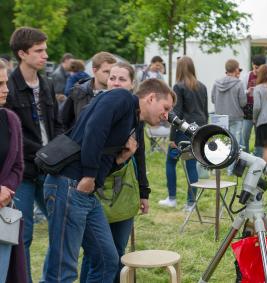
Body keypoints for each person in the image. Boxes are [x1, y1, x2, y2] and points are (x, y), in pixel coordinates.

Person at [43, 79, 175, 283]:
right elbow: (94, 129)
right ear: (150, 98)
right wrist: (89, 174)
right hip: (69, 184)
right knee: (62, 269)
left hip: (86, 193)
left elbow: (103, 155)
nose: (166, 115)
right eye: (165, 107)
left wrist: (121, 159)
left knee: (107, 259)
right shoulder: (121, 97)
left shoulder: (133, 119)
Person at [79, 62, 151, 283]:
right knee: (96, 252)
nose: (116, 83)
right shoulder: (94, 107)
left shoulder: (134, 116)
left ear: (132, 85)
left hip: (122, 189)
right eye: (112, 78)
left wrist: (143, 191)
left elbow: (139, 156)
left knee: (118, 248)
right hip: (95, 188)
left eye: (122, 79)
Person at [6, 27, 62, 283]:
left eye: (45, 49)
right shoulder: (9, 87)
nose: (45, 55)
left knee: (61, 228)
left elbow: (56, 123)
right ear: (21, 53)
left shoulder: (48, 84)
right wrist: (41, 153)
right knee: (23, 235)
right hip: (24, 172)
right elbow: (11, 134)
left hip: (51, 169)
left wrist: (60, 151)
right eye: (39, 51)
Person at [158, 56, 208, 210]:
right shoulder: (202, 86)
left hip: (182, 131)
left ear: (179, 69)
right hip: (199, 130)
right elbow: (205, 112)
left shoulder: (178, 87)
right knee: (191, 166)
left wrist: (172, 137)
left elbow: (176, 115)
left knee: (170, 162)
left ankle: (172, 198)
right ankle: (191, 203)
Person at [0, 59, 25, 283]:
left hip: (2, 213)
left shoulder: (10, 120)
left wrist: (6, 188)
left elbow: (17, 164)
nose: (6, 89)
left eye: (6, 82)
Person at [61, 51, 116, 130]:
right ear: (94, 70)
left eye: (112, 72)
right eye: (106, 71)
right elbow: (63, 121)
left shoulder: (117, 94)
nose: (110, 75)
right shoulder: (78, 91)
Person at [211, 59, 246, 175]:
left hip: (220, 117)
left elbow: (212, 99)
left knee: (219, 143)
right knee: (234, 144)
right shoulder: (239, 83)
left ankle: (217, 166)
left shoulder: (216, 83)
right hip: (236, 117)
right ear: (236, 69)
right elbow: (243, 102)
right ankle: (230, 170)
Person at [241, 54, 265, 157]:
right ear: (252, 65)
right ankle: (246, 156)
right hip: (248, 109)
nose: (256, 70)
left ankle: (257, 156)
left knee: (259, 136)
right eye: (255, 67)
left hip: (260, 110)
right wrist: (247, 91)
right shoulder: (247, 76)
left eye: (258, 68)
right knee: (245, 135)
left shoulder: (265, 78)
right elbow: (241, 92)